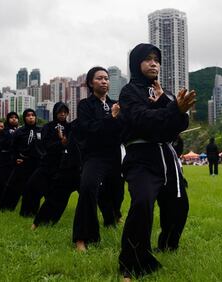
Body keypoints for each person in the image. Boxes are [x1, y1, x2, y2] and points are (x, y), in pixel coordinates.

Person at [118, 43, 196, 280]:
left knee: (178, 206)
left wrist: (171, 106)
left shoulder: (164, 93)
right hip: (141, 156)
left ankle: (167, 246)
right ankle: (131, 265)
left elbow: (180, 125)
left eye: (157, 59)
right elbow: (143, 119)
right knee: (142, 204)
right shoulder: (129, 92)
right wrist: (172, 109)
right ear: (136, 63)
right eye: (148, 59)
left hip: (167, 155)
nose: (154, 63)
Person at [72, 66, 124, 251]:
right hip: (94, 156)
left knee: (116, 193)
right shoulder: (85, 106)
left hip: (115, 155)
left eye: (106, 78)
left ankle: (112, 219)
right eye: (99, 78)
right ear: (90, 83)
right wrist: (111, 118)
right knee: (87, 189)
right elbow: (89, 129)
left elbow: (121, 129)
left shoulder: (116, 104)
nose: (104, 81)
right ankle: (82, 238)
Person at [29, 102, 80, 228]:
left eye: (65, 112)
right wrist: (61, 143)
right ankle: (36, 218)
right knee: (42, 189)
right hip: (49, 164)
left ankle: (113, 217)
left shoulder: (70, 127)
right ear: (55, 113)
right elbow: (46, 146)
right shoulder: (47, 127)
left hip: (68, 165)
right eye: (59, 112)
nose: (62, 114)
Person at [0, 109, 41, 212]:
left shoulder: (41, 130)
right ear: (24, 118)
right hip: (22, 163)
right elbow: (12, 148)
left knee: (34, 188)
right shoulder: (19, 131)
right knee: (13, 186)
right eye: (28, 115)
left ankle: (29, 212)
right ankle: (4, 209)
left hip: (36, 163)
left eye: (33, 115)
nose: (31, 117)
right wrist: (16, 158)